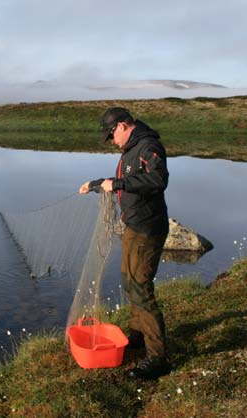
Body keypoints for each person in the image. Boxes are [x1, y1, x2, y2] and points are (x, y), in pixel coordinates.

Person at [79, 107, 170, 379]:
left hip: (148, 229)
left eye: (111, 135)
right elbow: (122, 180)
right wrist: (96, 183)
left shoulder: (148, 145)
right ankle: (138, 336)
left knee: (141, 287)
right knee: (129, 280)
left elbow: (158, 179)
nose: (111, 141)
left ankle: (158, 359)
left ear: (121, 126)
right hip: (133, 227)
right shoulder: (130, 148)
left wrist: (117, 184)